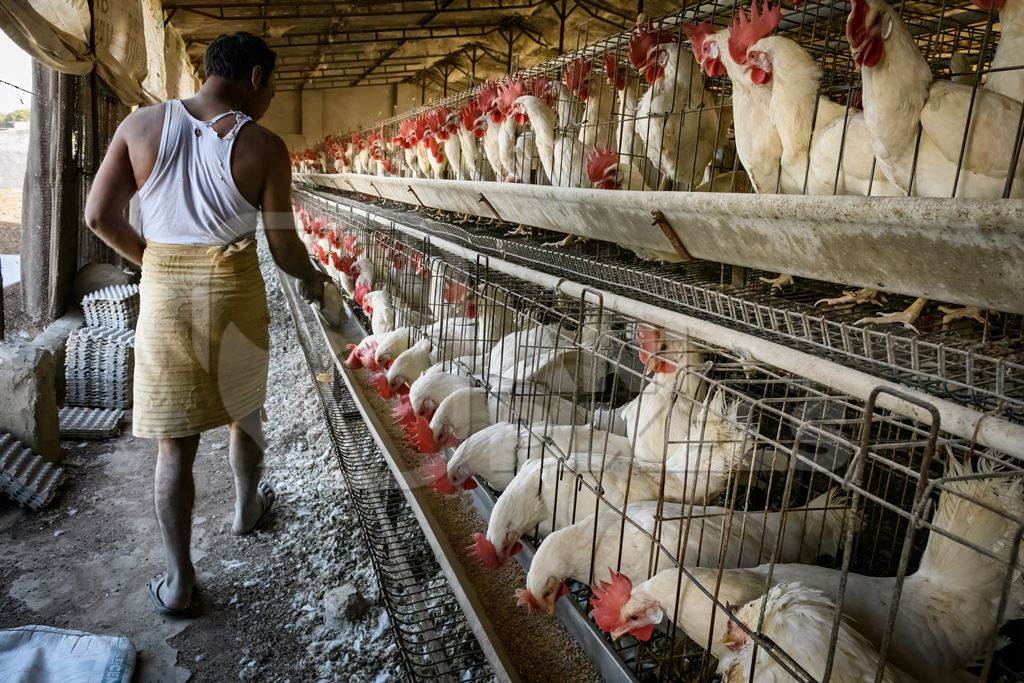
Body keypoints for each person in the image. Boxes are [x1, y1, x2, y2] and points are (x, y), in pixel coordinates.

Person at [84, 31, 327, 616]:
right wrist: (317, 281)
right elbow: (284, 248)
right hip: (233, 292)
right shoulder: (264, 146)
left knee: (174, 447)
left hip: (166, 297)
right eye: (272, 87)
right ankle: (247, 510)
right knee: (245, 412)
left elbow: (98, 216)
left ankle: (180, 582)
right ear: (257, 78)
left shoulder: (140, 127)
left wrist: (156, 262)